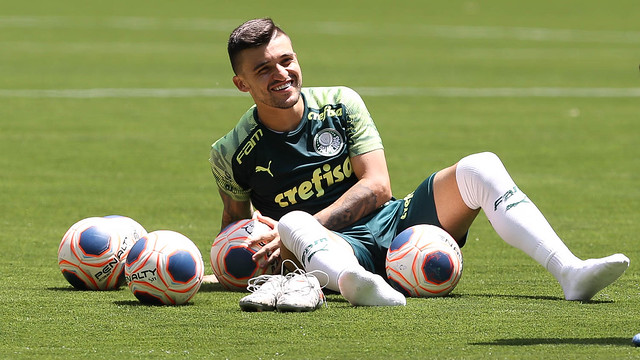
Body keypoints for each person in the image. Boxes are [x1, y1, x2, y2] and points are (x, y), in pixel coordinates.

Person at [209, 18, 629, 311]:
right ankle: (360, 286)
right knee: (292, 222)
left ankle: (570, 271)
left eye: (286, 60)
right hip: (326, 252)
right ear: (241, 83)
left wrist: (306, 225)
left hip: (392, 223)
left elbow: (377, 187)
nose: (281, 73)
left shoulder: (341, 103)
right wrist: (242, 253)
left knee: (480, 166)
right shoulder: (230, 152)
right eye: (263, 69)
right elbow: (235, 225)